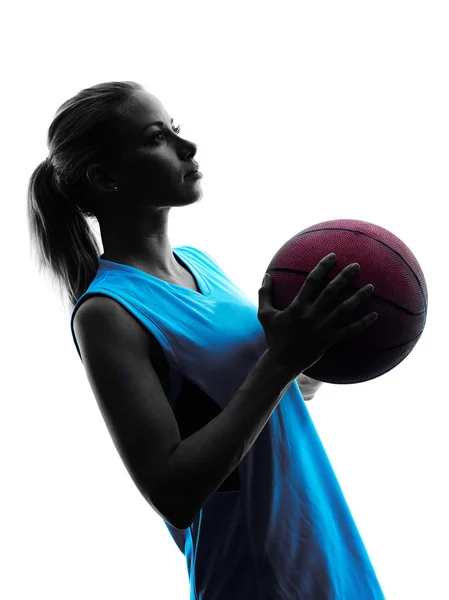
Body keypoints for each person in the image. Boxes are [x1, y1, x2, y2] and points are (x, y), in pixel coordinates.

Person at [27, 81, 385, 599]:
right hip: (258, 573)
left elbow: (264, 397)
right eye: (157, 137)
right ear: (106, 178)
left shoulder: (201, 264)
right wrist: (281, 362)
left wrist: (324, 342)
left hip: (325, 541)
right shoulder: (107, 313)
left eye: (176, 129)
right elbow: (174, 490)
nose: (186, 146)